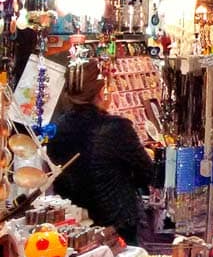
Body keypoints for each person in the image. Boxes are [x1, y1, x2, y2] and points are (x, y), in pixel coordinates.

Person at [47, 62, 154, 244]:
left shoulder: (57, 128)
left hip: (73, 224)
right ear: (101, 92)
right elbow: (147, 173)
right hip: (115, 224)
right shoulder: (116, 128)